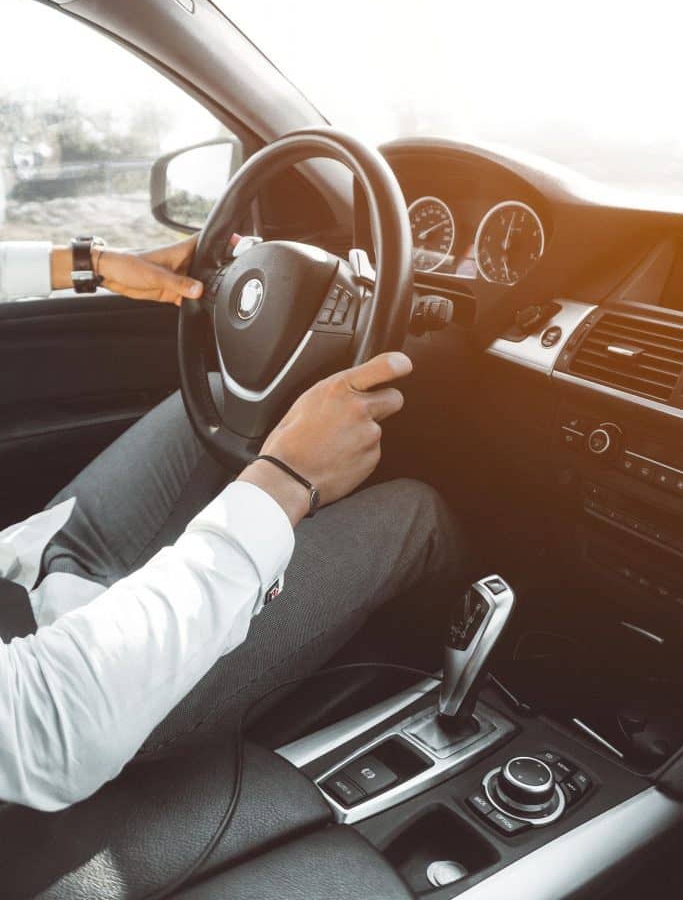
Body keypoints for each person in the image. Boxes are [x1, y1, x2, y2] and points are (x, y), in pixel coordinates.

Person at [0, 236, 461, 812]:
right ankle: (474, 686)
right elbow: (47, 727)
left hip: (22, 570)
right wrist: (285, 479)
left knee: (222, 402)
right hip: (88, 697)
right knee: (417, 514)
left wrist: (83, 264)